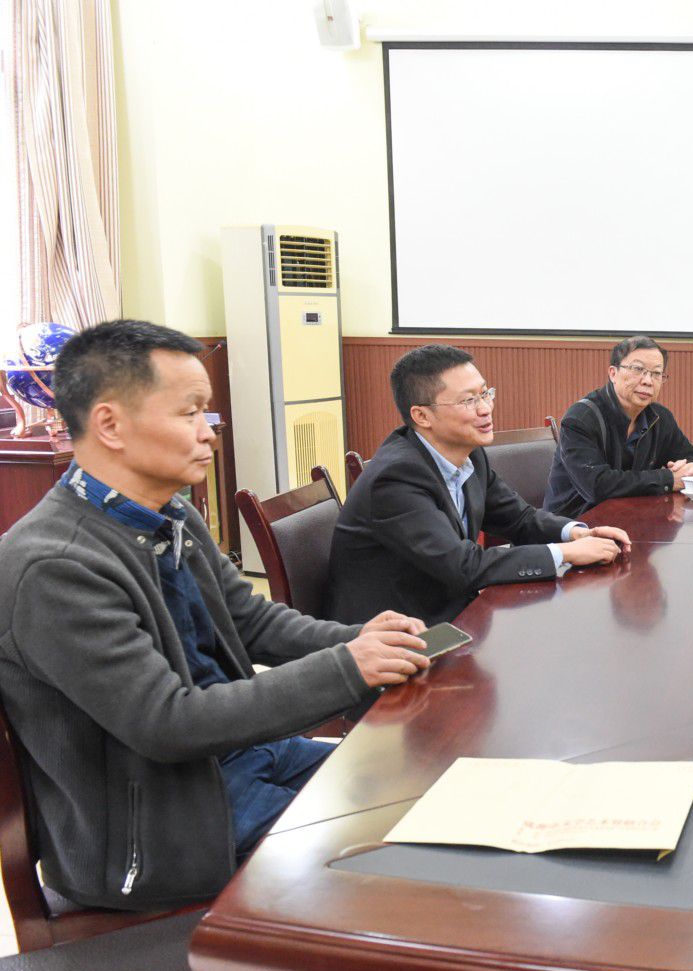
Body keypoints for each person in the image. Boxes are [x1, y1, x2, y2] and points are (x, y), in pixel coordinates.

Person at [0, 319, 432, 911]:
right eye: (189, 412)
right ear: (109, 424)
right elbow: (168, 723)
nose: (208, 432)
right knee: (415, 852)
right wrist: (348, 667)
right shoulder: (53, 566)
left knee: (425, 782)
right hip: (163, 829)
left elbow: (253, 624)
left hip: (239, 761)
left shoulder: (169, 513)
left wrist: (364, 640)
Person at [327, 344, 630, 627]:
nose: (485, 409)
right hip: (401, 637)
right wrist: (566, 553)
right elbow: (462, 566)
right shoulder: (395, 478)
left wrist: (577, 532)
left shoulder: (469, 455)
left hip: (455, 616)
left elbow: (520, 518)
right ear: (421, 415)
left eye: (486, 394)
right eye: (469, 400)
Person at [545, 336, 693, 518]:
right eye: (638, 369)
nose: (648, 381)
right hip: (574, 527)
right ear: (613, 373)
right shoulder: (581, 419)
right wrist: (668, 479)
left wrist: (688, 470)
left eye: (656, 373)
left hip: (631, 521)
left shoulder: (659, 417)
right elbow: (597, 486)